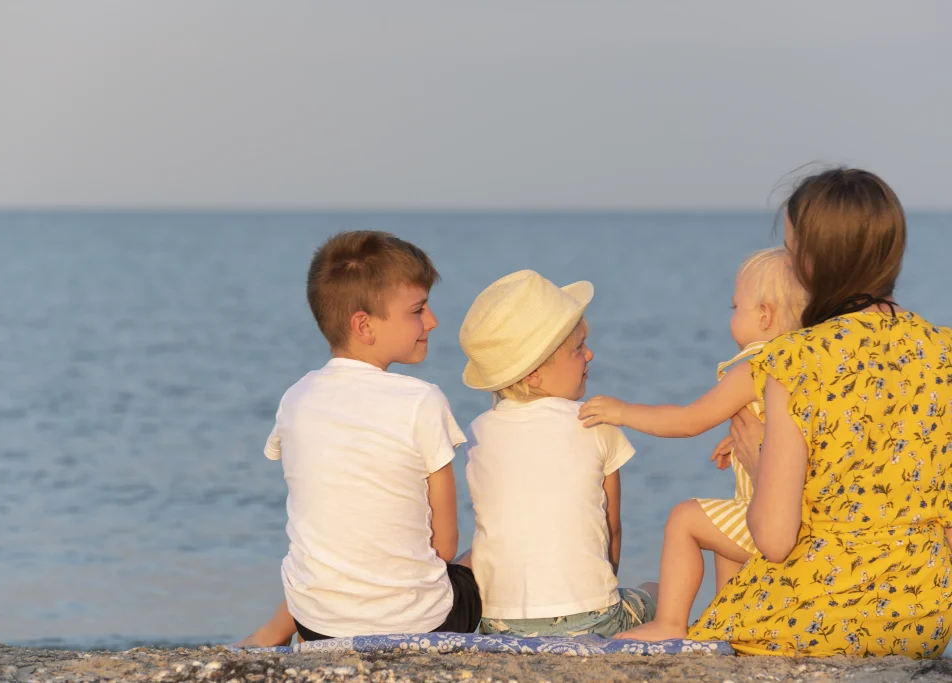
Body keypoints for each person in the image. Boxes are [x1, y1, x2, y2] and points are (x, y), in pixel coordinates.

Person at [687, 168, 952, 658]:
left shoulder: (796, 359)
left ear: (812, 262)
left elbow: (774, 540)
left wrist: (758, 462)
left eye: (791, 251)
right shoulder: (943, 352)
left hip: (816, 616)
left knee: (699, 636)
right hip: (921, 622)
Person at [236, 230, 481, 647]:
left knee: (331, 552)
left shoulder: (296, 398)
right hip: (421, 625)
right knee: (495, 547)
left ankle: (272, 633)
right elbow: (444, 546)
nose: (433, 321)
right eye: (418, 310)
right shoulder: (421, 401)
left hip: (316, 622)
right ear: (364, 325)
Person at [576, 247, 806, 640]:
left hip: (775, 521)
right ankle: (727, 621)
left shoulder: (756, 367)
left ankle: (669, 623)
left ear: (764, 315)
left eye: (736, 307)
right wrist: (744, 439)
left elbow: (687, 421)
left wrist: (624, 412)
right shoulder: (804, 363)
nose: (732, 316)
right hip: (802, 516)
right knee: (721, 529)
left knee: (685, 519)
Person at [458, 270, 657, 638]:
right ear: (533, 374)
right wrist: (596, 600)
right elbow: (611, 528)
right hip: (592, 617)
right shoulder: (594, 421)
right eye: (579, 348)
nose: (590, 354)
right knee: (656, 592)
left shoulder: (477, 434)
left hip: (501, 623)